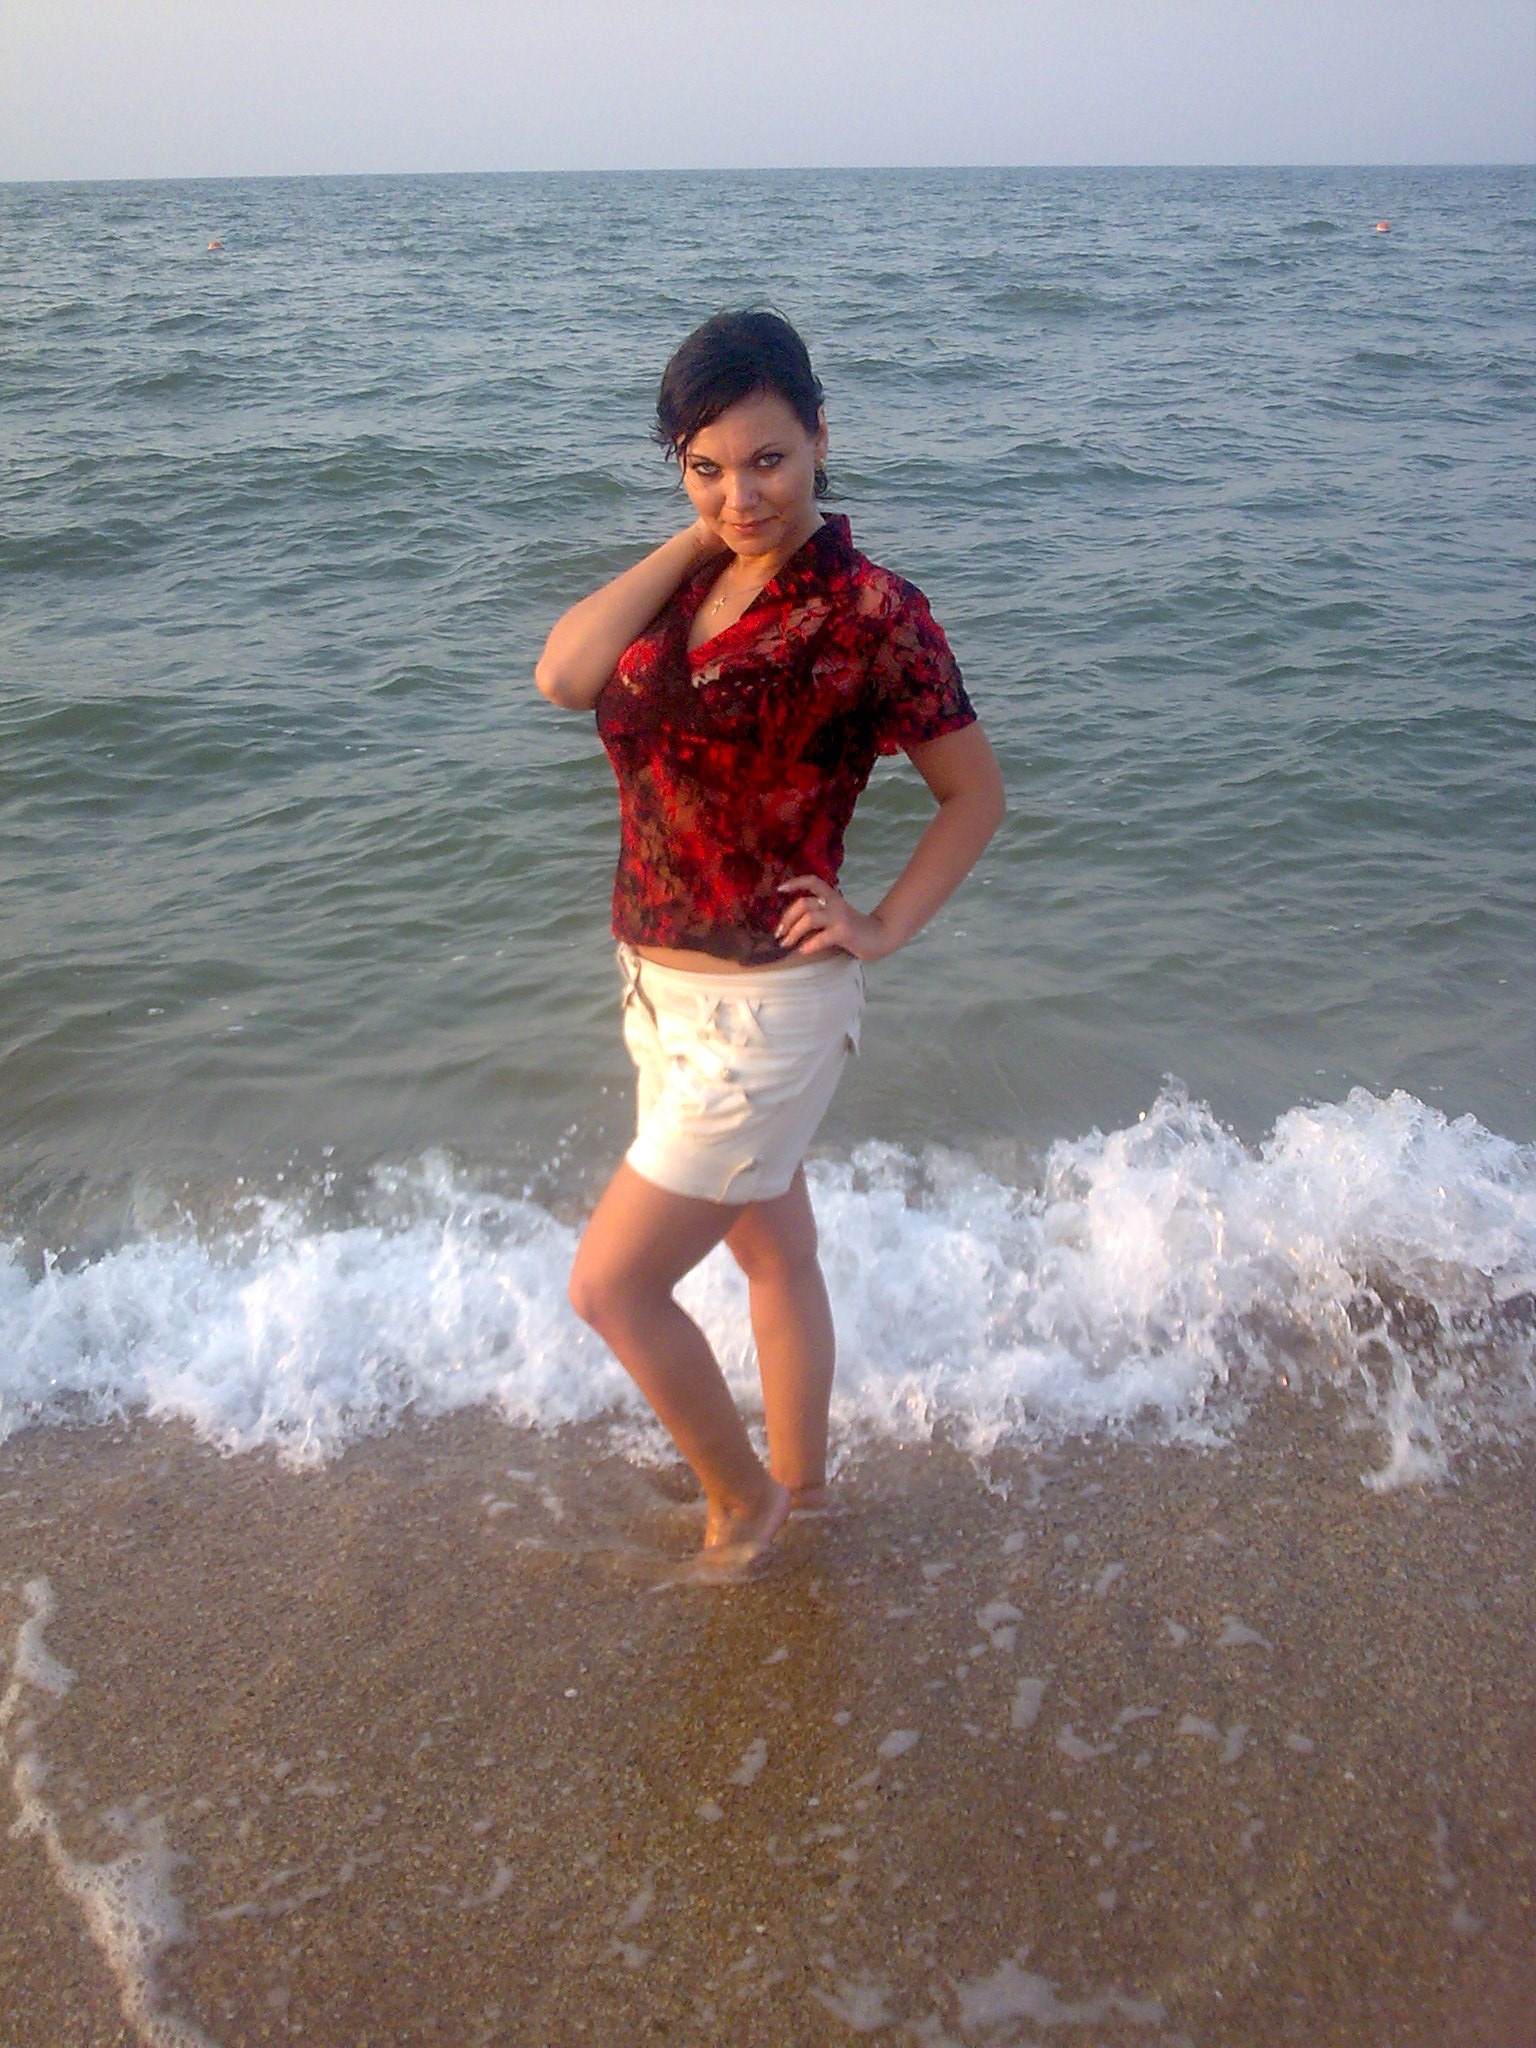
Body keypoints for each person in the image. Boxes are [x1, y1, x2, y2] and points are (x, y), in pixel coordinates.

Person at [535, 310, 1004, 1575]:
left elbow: (975, 795)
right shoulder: (694, 575)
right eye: (707, 466)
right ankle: (806, 1486)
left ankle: (743, 1503)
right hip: (657, 991)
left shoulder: (872, 612)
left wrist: (882, 924)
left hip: (768, 1010)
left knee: (611, 1287)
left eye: (768, 461)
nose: (741, 494)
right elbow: (564, 675)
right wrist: (698, 535)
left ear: (820, 440)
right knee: (772, 1248)